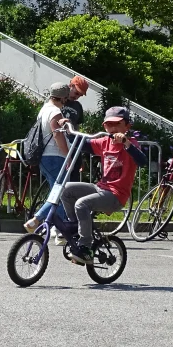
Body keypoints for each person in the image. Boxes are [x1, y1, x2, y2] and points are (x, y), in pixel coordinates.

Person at [60, 106, 147, 265]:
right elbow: (81, 143)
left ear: (127, 126)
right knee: (65, 190)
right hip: (101, 188)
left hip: (116, 195)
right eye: (109, 125)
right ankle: (76, 227)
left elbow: (142, 161)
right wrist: (68, 127)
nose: (112, 128)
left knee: (82, 204)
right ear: (104, 126)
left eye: (117, 124)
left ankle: (85, 248)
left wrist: (126, 143)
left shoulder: (131, 144)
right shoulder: (104, 141)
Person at [24, 82, 71, 238]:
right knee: (60, 193)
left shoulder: (43, 109)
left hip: (45, 157)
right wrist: (68, 155)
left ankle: (58, 229)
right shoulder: (55, 111)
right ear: (63, 97)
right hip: (55, 156)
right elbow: (57, 134)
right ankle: (38, 221)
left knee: (56, 192)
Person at [61, 76, 90, 182]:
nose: (77, 97)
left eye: (80, 95)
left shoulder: (78, 106)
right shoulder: (59, 100)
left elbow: (77, 126)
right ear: (71, 86)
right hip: (59, 141)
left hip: (72, 142)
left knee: (75, 171)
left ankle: (71, 195)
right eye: (77, 93)